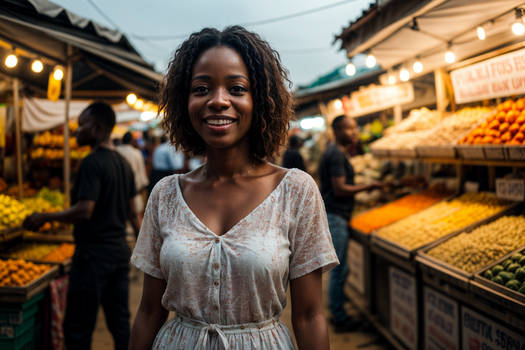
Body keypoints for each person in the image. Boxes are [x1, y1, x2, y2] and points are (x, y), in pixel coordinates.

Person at [129, 26, 339, 350]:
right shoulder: (166, 196)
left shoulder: (296, 192)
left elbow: (309, 316)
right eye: (201, 88)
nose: (218, 101)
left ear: (261, 100)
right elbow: (147, 312)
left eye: (237, 88)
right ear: (184, 102)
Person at [23, 102, 140, 350]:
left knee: (78, 328)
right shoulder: (123, 164)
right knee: (120, 323)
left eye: (81, 125)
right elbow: (133, 213)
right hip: (118, 253)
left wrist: (45, 217)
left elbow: (85, 209)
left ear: (97, 129)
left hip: (92, 256)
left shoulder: (91, 163)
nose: (76, 131)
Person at [318, 115, 381, 333]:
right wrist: (368, 186)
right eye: (349, 129)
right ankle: (339, 317)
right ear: (337, 130)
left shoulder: (335, 151)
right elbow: (339, 188)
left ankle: (339, 312)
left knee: (340, 269)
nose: (354, 132)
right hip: (336, 216)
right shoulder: (336, 154)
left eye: (355, 128)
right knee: (339, 270)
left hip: (335, 215)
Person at [117, 132, 149, 218]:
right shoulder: (136, 153)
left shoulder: (116, 151)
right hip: (134, 189)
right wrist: (143, 184)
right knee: (135, 215)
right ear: (131, 141)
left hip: (118, 191)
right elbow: (141, 171)